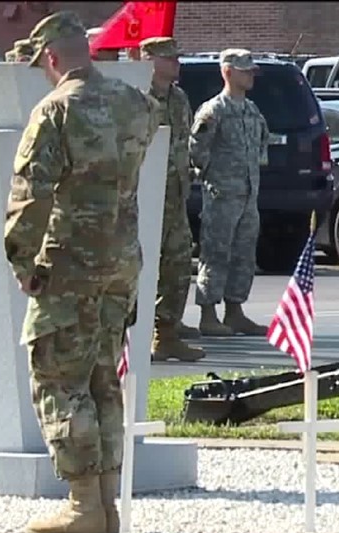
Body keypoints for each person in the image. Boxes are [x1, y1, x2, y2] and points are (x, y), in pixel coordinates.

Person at [4, 12, 157, 533]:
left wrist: (24, 262)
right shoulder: (136, 105)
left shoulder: (55, 110)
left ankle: (82, 504)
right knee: (102, 380)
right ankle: (106, 505)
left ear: (50, 59)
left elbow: (31, 195)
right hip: (120, 264)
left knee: (59, 379)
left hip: (69, 265)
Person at [188, 48, 269, 337]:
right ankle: (208, 314)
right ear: (228, 72)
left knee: (244, 254)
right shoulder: (214, 110)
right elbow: (197, 149)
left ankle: (235, 312)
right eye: (245, 70)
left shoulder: (251, 110)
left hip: (248, 195)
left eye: (251, 71)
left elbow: (262, 144)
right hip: (222, 195)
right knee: (215, 253)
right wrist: (211, 176)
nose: (250, 76)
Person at [138, 36, 205, 362]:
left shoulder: (179, 99)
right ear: (149, 60)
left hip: (175, 196)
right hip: (142, 199)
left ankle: (166, 333)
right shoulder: (136, 98)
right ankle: (131, 338)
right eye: (169, 58)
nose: (176, 63)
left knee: (178, 265)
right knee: (137, 267)